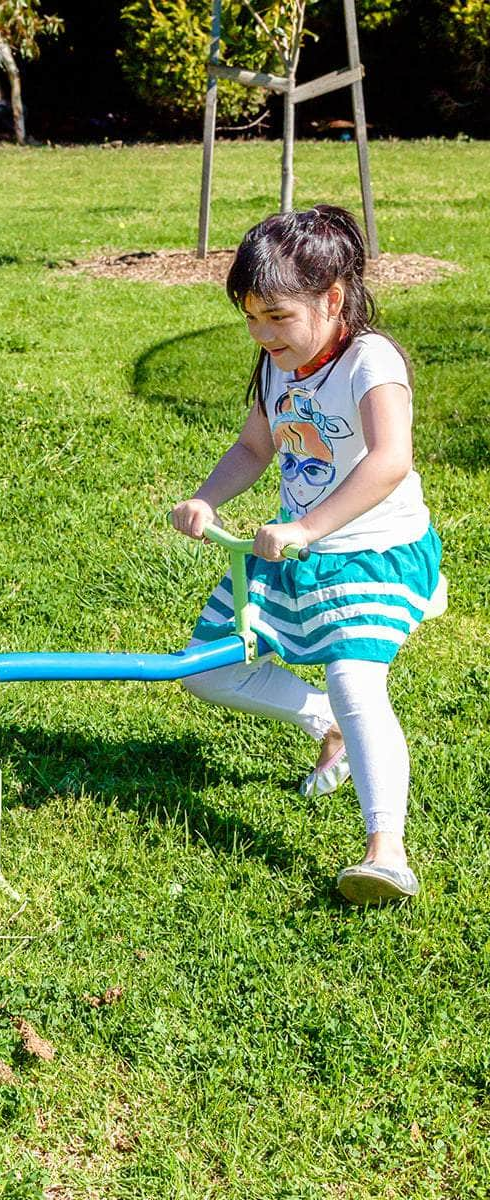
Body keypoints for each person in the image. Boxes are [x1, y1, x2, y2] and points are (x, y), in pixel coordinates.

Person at [170, 205, 442, 905]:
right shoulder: (275, 364)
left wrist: (309, 526)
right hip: (296, 552)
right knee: (207, 672)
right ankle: (324, 723)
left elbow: (389, 461)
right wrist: (207, 498)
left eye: (278, 317)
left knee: (359, 682)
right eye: (252, 319)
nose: (264, 334)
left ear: (333, 298)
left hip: (370, 551)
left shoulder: (369, 361)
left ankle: (387, 852)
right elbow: (255, 448)